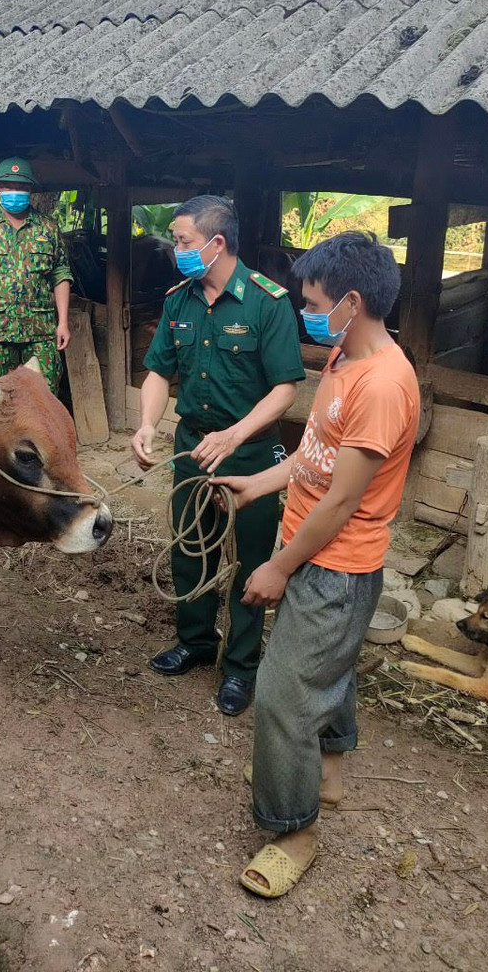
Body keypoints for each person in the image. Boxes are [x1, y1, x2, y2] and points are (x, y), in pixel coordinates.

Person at [210, 231, 419, 898]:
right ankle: (327, 773)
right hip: (313, 548)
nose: (306, 309)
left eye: (313, 300)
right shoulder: (341, 358)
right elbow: (315, 457)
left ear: (352, 302)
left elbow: (344, 499)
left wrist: (276, 568)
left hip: (338, 564)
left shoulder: (384, 384)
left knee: (282, 696)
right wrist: (259, 485)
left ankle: (294, 832)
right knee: (329, 666)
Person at [131, 196, 305, 716]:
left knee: (252, 563)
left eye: (183, 242)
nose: (176, 250)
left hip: (253, 453)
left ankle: (240, 668)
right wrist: (146, 423)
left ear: (217, 243)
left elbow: (285, 389)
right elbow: (160, 372)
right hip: (192, 446)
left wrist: (233, 435)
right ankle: (196, 641)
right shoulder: (178, 300)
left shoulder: (266, 302)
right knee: (191, 547)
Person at [0, 158, 72, 394]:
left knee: (44, 396)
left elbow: (60, 276)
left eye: (20, 187)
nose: (14, 192)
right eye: (7, 186)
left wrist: (62, 323)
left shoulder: (48, 228)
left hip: (40, 332)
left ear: (30, 189)